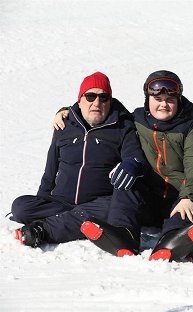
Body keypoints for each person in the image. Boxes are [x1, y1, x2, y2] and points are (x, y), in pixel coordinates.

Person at [52, 70, 193, 261]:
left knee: (181, 211)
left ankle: (173, 239)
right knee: (126, 181)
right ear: (148, 100)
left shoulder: (190, 129)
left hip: (179, 200)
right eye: (157, 98)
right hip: (147, 202)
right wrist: (67, 112)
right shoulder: (135, 120)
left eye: (169, 100)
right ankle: (123, 234)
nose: (163, 104)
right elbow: (107, 111)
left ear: (178, 101)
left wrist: (189, 197)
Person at [11, 72, 146, 256]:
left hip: (99, 202)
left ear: (110, 101)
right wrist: (41, 199)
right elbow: (51, 168)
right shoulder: (65, 125)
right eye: (90, 96)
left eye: (103, 97)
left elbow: (135, 155)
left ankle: (46, 229)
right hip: (61, 201)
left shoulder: (122, 127)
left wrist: (132, 163)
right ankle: (77, 220)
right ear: (80, 99)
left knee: (110, 209)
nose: (96, 103)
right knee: (20, 207)